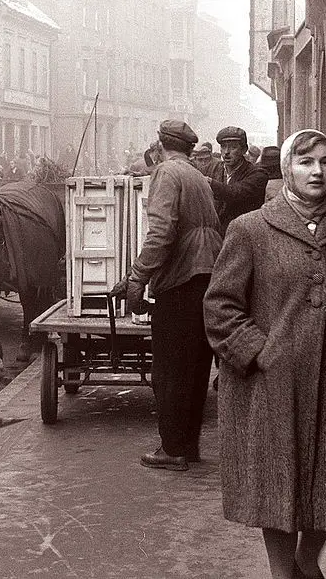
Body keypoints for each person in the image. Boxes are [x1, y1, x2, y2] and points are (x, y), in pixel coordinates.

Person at [203, 129, 326, 579]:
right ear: (287, 169)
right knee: (277, 486)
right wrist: (260, 353)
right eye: (306, 162)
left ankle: (306, 562)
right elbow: (220, 306)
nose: (317, 171)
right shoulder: (250, 230)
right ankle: (283, 572)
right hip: (271, 388)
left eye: (325, 161)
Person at [111, 119, 223, 471]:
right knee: (195, 369)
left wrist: (137, 277)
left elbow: (161, 233)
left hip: (180, 283)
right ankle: (187, 446)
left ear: (160, 146)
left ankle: (172, 449)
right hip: (206, 277)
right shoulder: (197, 176)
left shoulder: (166, 173)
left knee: (170, 371)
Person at [208, 126, 268, 234]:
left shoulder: (258, 174)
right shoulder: (215, 169)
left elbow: (235, 192)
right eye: (223, 147)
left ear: (244, 150)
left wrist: (209, 182)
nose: (226, 152)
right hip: (217, 236)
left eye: (233, 147)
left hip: (245, 235)